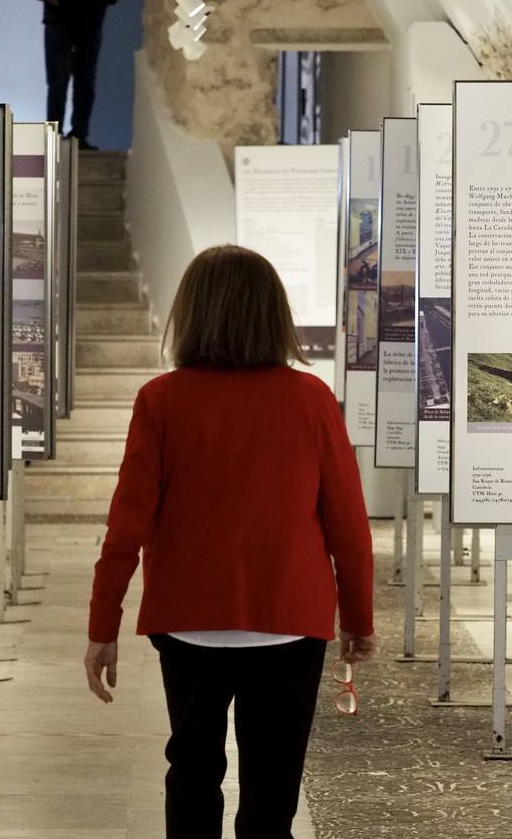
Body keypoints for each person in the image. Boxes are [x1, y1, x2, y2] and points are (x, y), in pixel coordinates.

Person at [84, 245, 376, 839]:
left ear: (190, 313)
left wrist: (101, 625)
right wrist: (358, 619)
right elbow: (348, 522)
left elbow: (126, 526)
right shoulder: (311, 399)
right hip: (289, 620)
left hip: (188, 620)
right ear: (275, 314)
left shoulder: (161, 400)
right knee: (272, 787)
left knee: (191, 770)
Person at [14, 0, 122, 149]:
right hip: (59, 20)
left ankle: (79, 135)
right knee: (59, 79)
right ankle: (54, 136)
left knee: (86, 82)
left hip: (91, 21)